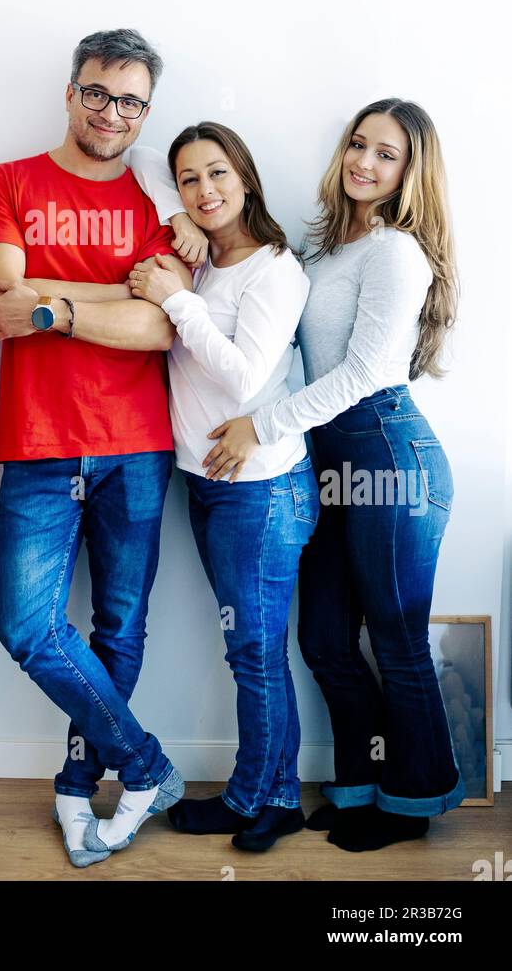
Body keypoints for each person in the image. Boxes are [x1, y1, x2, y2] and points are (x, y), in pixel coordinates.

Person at [204, 100, 464, 851]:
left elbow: (360, 374)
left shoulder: (396, 253)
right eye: (358, 145)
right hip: (328, 463)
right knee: (322, 637)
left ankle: (412, 803)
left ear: (411, 174)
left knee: (396, 637)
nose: (365, 163)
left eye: (387, 155)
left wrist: (262, 426)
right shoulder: (323, 255)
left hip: (390, 457)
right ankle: (359, 784)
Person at [0, 29, 194, 867]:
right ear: (71, 91)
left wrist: (53, 309)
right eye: (98, 92)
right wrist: (105, 298)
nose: (112, 112)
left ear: (145, 113)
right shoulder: (8, 181)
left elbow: (159, 325)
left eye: (131, 100)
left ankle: (78, 785)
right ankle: (146, 764)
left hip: (138, 445)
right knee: (27, 627)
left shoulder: (159, 207)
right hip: (38, 444)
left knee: (120, 628)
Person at [125, 126, 320, 852]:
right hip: (210, 483)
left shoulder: (275, 270)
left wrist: (178, 300)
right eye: (189, 180)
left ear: (246, 176)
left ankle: (248, 800)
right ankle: (278, 799)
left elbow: (243, 375)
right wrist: (175, 217)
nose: (204, 191)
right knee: (258, 650)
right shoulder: (206, 253)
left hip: (261, 492)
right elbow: (143, 155)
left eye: (217, 174)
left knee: (255, 654)